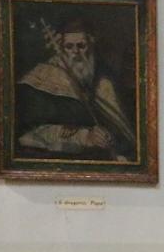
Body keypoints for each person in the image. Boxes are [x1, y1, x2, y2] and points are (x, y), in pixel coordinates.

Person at [15, 18, 135, 160]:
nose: (76, 52)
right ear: (61, 47)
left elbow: (122, 131)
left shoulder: (104, 80)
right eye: (69, 46)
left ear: (90, 45)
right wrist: (84, 136)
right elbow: (27, 134)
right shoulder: (40, 80)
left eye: (81, 46)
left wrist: (109, 137)